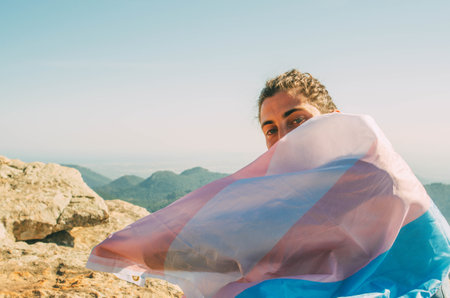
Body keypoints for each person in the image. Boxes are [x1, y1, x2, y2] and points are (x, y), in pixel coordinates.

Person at [257, 68, 450, 297]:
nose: (284, 138)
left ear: (336, 121)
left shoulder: (382, 182)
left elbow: (425, 268)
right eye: (271, 130)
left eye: (297, 120)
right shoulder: (288, 201)